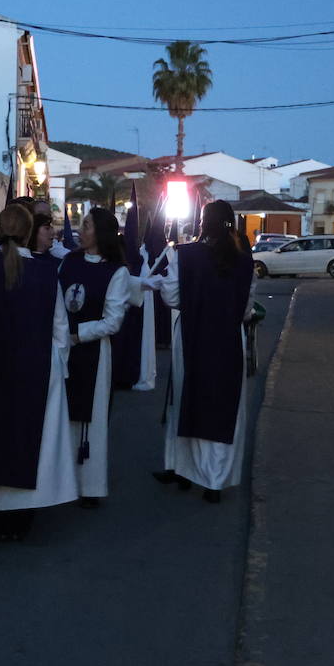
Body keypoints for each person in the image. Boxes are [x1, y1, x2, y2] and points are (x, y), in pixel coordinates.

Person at [150, 199, 255, 503]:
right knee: (224, 407)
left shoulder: (186, 256)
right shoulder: (245, 260)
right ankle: (215, 481)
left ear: (202, 222)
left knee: (187, 400)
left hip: (192, 335)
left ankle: (183, 469)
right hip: (229, 339)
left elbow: (171, 297)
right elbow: (247, 308)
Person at [0, 204, 77, 541]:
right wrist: (60, 366)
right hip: (37, 366)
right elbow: (59, 326)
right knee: (30, 436)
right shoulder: (44, 272)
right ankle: (22, 513)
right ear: (27, 232)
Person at [57, 208, 130, 508]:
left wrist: (78, 334)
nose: (80, 230)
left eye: (85, 225)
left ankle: (89, 485)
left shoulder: (117, 272)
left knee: (92, 418)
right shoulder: (69, 261)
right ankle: (63, 482)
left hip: (94, 352)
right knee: (62, 414)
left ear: (99, 233)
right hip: (62, 349)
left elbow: (113, 320)